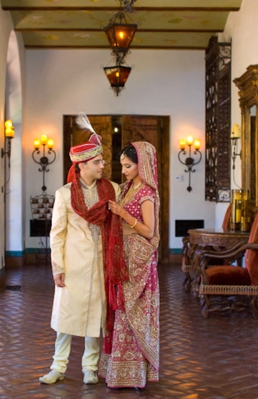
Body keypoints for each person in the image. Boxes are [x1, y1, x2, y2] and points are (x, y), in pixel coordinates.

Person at [39, 113, 127, 385]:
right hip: (73, 265)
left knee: (95, 318)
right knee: (66, 319)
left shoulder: (112, 189)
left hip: (102, 264)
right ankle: (58, 367)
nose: (103, 165)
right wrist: (58, 268)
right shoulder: (64, 194)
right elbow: (57, 234)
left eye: (101, 160)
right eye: (97, 162)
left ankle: (90, 368)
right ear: (82, 165)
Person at [101, 141, 160, 388]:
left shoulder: (146, 193)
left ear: (141, 165)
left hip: (139, 265)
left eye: (128, 166)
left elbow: (149, 231)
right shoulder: (126, 188)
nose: (123, 170)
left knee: (133, 315)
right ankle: (118, 372)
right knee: (120, 312)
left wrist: (123, 215)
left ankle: (135, 374)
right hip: (123, 261)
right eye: (122, 165)